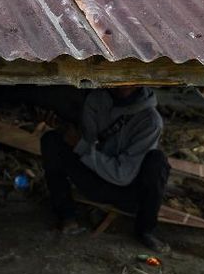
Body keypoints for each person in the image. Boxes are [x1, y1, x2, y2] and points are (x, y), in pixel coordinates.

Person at [39, 86, 170, 251]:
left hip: (127, 193)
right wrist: (66, 131)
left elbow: (123, 175)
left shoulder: (150, 121)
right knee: (51, 140)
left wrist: (80, 146)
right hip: (94, 180)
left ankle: (145, 230)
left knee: (157, 161)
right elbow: (88, 140)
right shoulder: (96, 100)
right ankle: (67, 216)